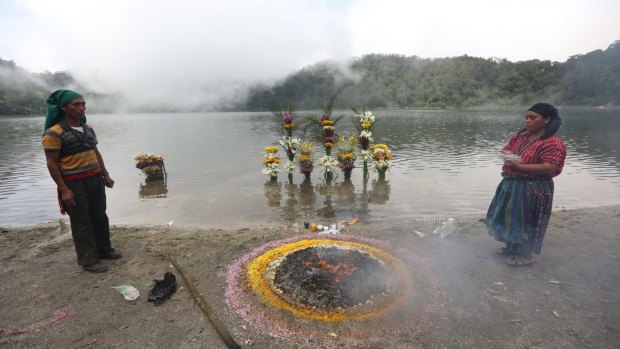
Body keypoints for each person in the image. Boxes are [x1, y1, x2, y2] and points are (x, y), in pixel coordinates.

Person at [42, 89, 121, 273]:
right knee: (81, 221)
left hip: (94, 178)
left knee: (100, 216)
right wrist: (64, 189)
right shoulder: (53, 133)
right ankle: (88, 259)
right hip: (74, 183)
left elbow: (95, 152)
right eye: (76, 104)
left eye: (83, 104)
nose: (81, 107)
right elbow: (52, 164)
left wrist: (105, 174)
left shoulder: (88, 129)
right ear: (63, 108)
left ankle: (104, 250)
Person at [485, 103, 566, 267]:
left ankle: (527, 256)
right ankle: (512, 248)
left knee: (525, 221)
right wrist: (509, 155)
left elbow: (549, 167)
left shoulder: (552, 143)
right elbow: (505, 149)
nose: (527, 121)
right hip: (512, 183)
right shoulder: (521, 136)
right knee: (509, 218)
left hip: (533, 188)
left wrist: (519, 166)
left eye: (532, 117)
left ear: (547, 120)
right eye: (526, 117)